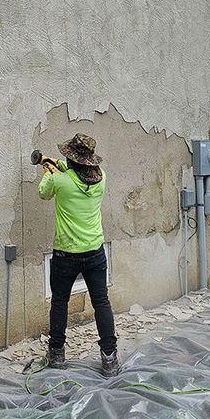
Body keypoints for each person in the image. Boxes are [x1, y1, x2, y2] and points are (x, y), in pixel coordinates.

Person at [38, 133, 119, 377]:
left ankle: (57, 354)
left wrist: (49, 170)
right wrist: (61, 167)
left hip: (66, 254)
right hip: (95, 252)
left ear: (71, 159)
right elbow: (79, 175)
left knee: (60, 302)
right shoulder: (102, 177)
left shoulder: (59, 181)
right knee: (101, 302)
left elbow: (44, 192)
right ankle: (109, 358)